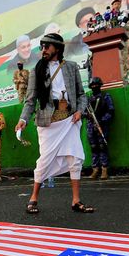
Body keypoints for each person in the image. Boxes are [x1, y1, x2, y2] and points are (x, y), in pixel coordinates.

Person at [15, 33, 93, 214]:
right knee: (44, 161)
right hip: (48, 122)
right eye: (42, 47)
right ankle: (33, 198)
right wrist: (23, 119)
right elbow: (30, 100)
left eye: (47, 47)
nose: (43, 50)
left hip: (69, 119)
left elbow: (82, 95)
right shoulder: (36, 71)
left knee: (75, 159)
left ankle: (76, 201)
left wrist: (80, 111)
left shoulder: (71, 67)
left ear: (57, 49)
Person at [86, 77, 114, 180]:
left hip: (102, 125)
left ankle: (104, 169)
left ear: (100, 85)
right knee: (93, 147)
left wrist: (103, 120)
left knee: (102, 147)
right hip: (90, 126)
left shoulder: (105, 96)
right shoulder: (88, 98)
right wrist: (87, 115)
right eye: (92, 85)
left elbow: (111, 111)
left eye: (96, 85)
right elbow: (84, 111)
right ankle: (95, 169)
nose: (94, 87)